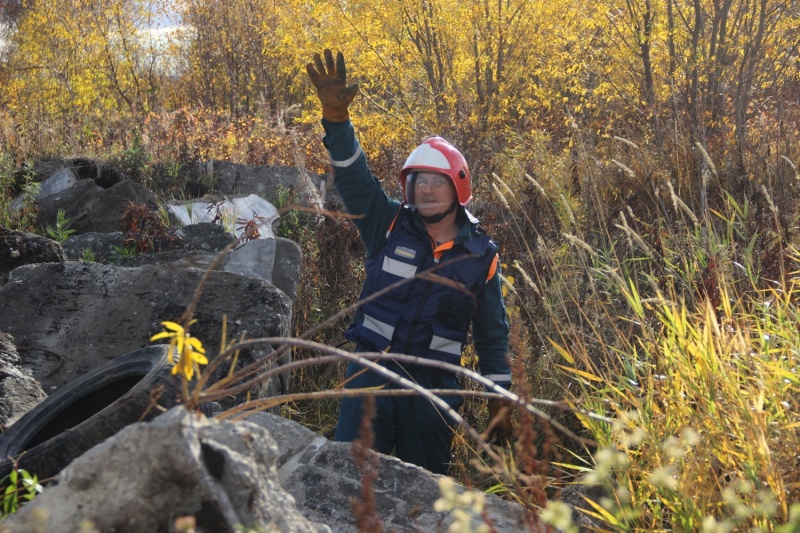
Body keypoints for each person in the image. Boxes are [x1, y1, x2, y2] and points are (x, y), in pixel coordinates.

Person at [306, 49, 513, 475]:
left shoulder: (481, 258)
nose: (425, 191)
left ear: (458, 188)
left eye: (436, 182)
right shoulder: (387, 223)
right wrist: (338, 123)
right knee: (350, 477)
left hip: (433, 392)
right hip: (369, 373)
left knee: (428, 490)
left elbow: (493, 338)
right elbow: (354, 178)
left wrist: (499, 401)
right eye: (418, 182)